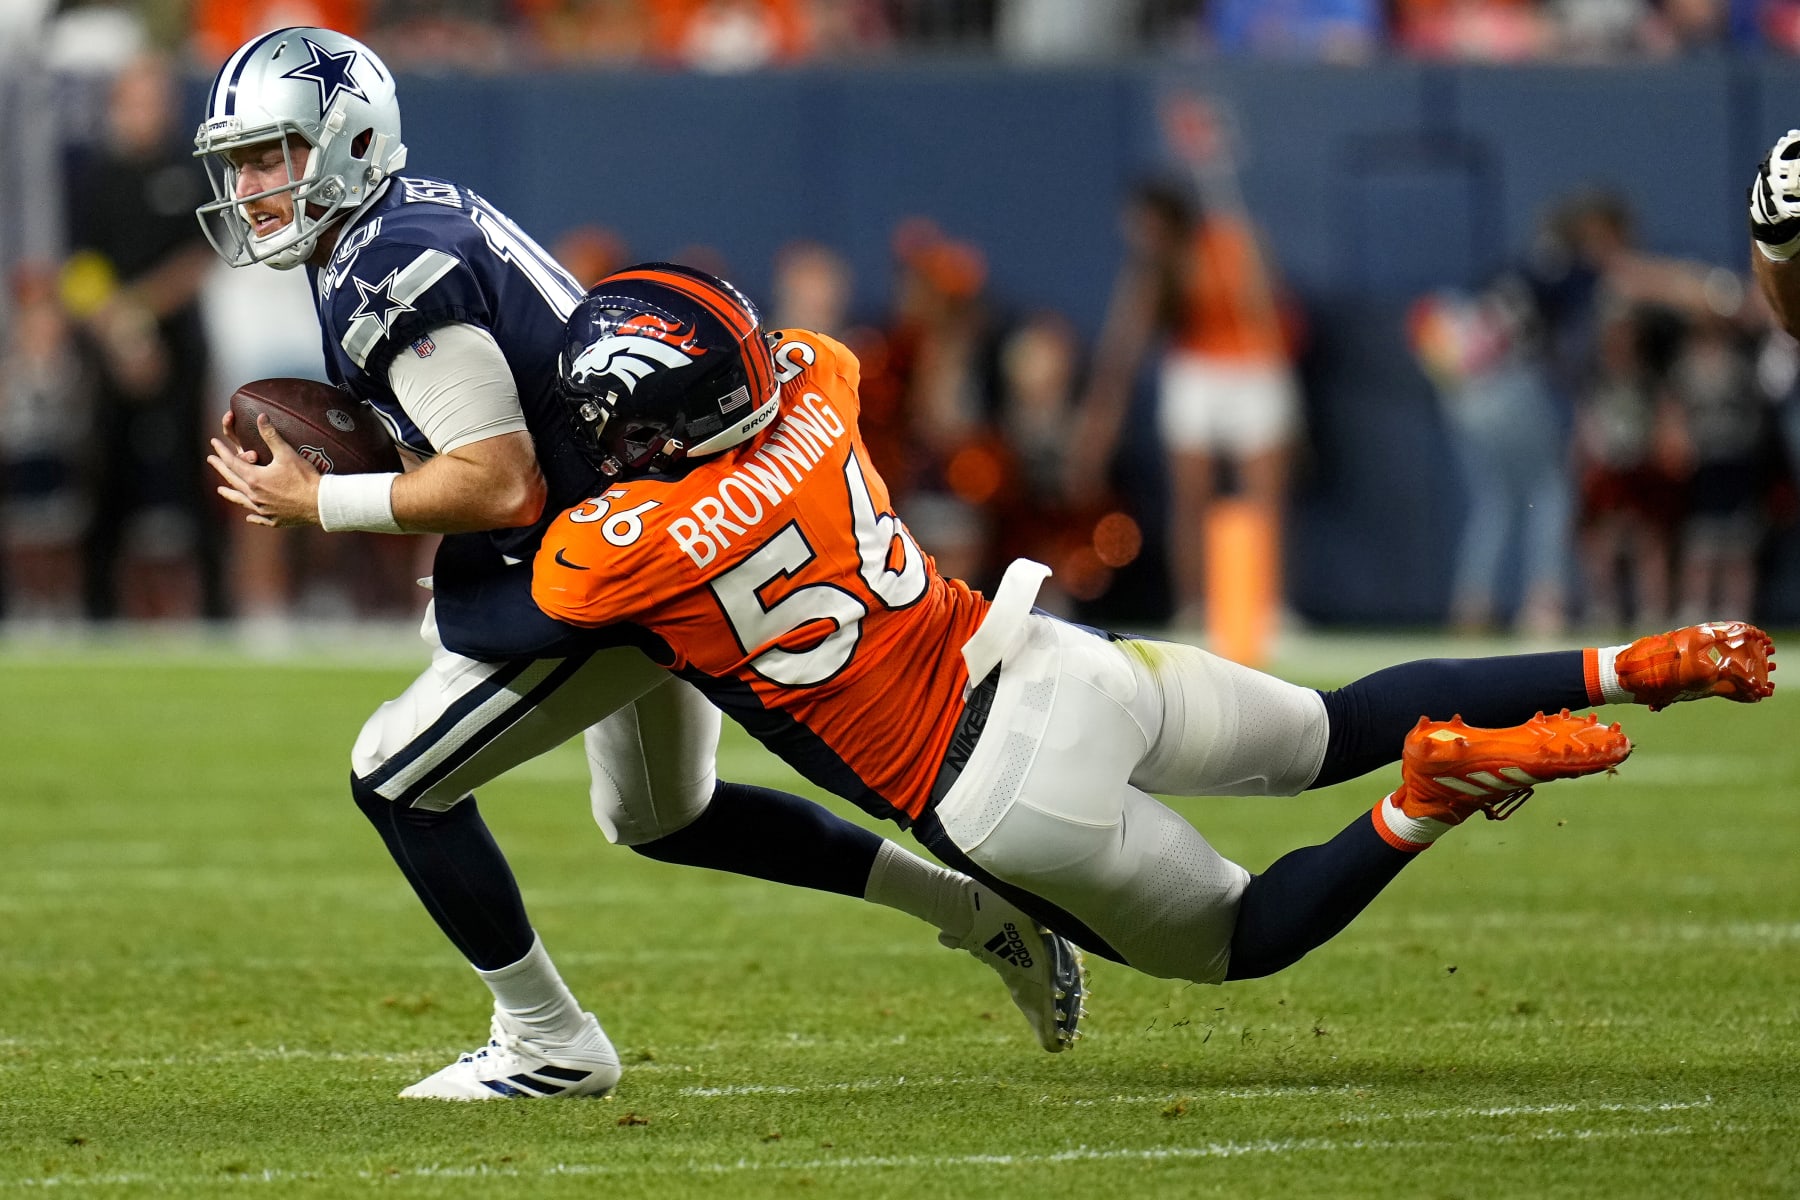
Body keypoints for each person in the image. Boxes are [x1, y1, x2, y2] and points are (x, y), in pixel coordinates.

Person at [196, 27, 1083, 1101]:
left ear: (347, 141)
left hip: (614, 561)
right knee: (664, 817)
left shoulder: (387, 266)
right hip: (629, 526)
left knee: (394, 780)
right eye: (237, 160)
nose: (247, 186)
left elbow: (499, 482)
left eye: (269, 155)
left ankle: (546, 1042)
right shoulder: (402, 217)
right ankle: (981, 914)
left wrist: (322, 499)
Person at [532, 263, 1775, 990]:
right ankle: (1635, 663)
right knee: (1340, 725)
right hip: (1050, 659)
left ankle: (1431, 799)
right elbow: (791, 351)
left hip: (985, 788)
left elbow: (558, 570)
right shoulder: (820, 386)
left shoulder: (613, 553)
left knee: (1247, 936)